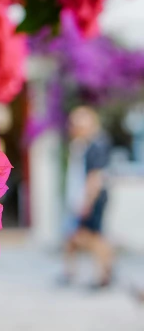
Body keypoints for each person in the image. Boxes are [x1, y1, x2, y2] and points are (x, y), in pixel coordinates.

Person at [62, 106, 114, 288]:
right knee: (75, 236)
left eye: (79, 122)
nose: (75, 126)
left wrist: (87, 203)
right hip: (84, 198)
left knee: (93, 237)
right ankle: (72, 272)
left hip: (93, 198)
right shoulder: (82, 144)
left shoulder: (97, 144)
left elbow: (95, 178)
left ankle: (104, 275)